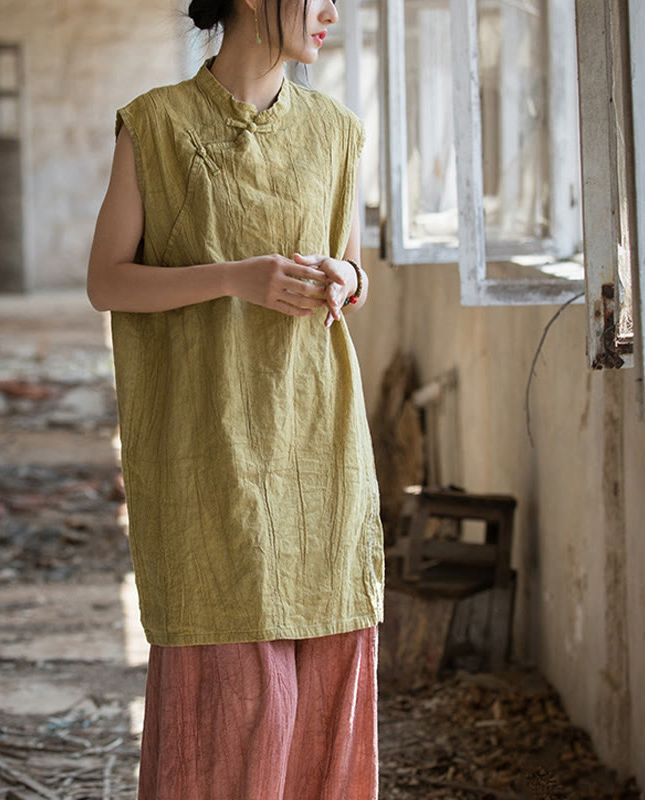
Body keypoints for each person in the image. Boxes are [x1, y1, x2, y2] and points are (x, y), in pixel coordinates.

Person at [86, 0, 385, 794]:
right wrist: (233, 276)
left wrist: (344, 278)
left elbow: (355, 273)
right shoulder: (156, 125)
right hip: (208, 446)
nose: (330, 14)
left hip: (320, 445)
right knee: (240, 694)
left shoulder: (338, 131)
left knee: (324, 683)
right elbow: (106, 280)